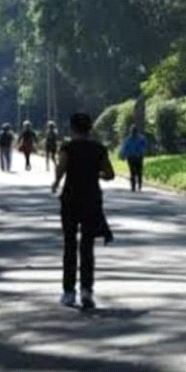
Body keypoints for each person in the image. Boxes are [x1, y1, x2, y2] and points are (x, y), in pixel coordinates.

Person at [51, 112, 116, 310]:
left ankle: (69, 292)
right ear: (90, 128)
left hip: (70, 199)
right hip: (91, 199)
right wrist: (94, 172)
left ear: (72, 128)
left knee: (69, 244)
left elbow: (61, 169)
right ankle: (87, 290)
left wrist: (56, 182)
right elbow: (110, 174)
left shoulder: (67, 147)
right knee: (87, 246)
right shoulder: (99, 149)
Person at [118, 125, 148, 191]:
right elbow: (125, 148)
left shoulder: (140, 139)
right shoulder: (128, 139)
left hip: (138, 156)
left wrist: (142, 152)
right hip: (131, 157)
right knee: (133, 172)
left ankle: (139, 184)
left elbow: (144, 146)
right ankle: (133, 186)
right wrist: (124, 155)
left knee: (138, 171)